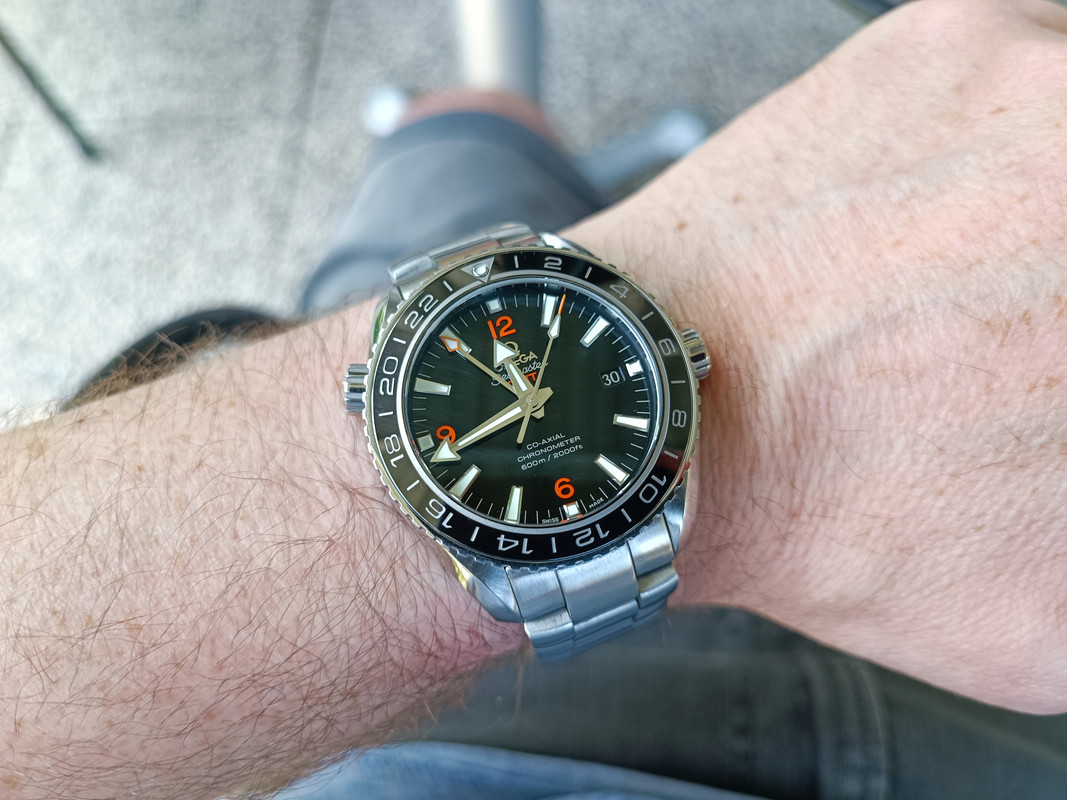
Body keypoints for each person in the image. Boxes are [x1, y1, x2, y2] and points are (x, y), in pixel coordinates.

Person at [2, 1, 1067, 797]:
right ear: (372, 402)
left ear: (680, 355)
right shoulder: (428, 474)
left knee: (437, 192)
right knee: (447, 180)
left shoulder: (616, 362)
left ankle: (469, 111)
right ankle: (474, 114)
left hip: (429, 739)